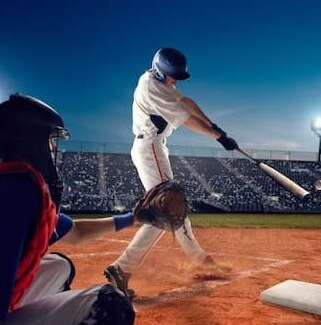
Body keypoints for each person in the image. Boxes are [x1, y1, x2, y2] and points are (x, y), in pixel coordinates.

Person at [104, 47, 238, 296]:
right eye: (172, 76)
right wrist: (217, 136)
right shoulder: (151, 88)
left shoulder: (159, 81)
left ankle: (200, 260)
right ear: (159, 71)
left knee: (171, 210)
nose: (174, 80)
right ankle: (122, 267)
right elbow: (186, 118)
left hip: (155, 148)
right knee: (165, 210)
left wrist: (214, 125)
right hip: (150, 147)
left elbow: (186, 102)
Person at [0, 93, 135, 324]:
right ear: (30, 142)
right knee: (111, 307)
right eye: (50, 141)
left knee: (60, 266)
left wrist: (134, 217)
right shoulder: (16, 190)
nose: (54, 150)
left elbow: (77, 232)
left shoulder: (16, 186)